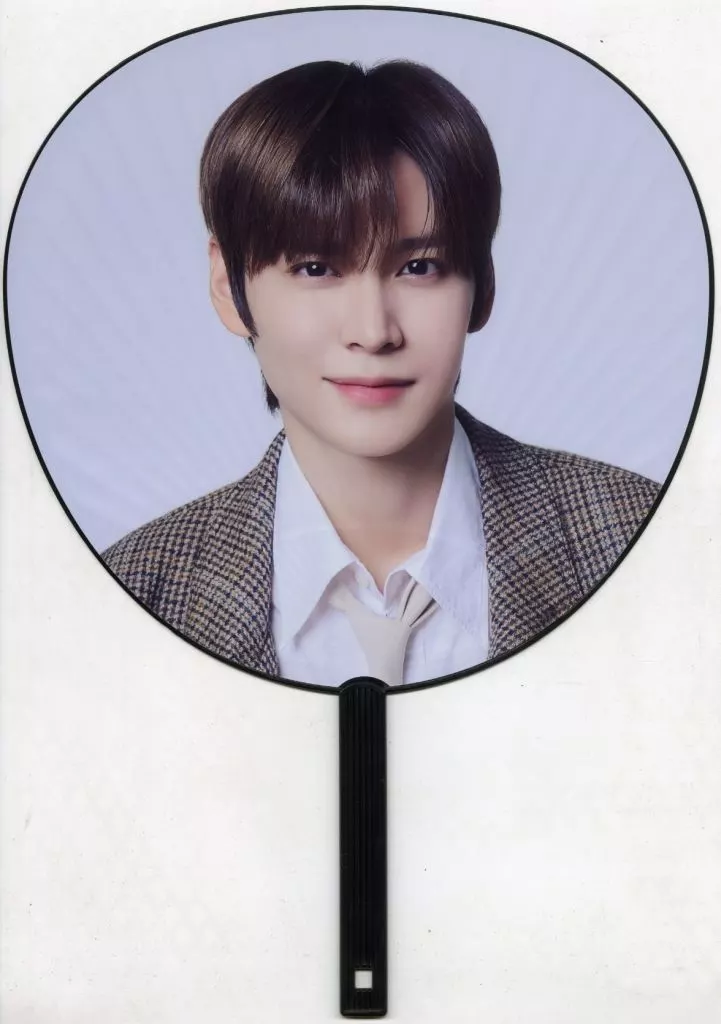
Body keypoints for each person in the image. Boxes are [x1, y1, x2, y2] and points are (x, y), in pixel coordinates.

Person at [102, 59, 659, 688]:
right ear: (228, 286)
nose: (373, 331)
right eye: (316, 268)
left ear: (483, 283)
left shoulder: (646, 541)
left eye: (420, 267)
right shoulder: (132, 591)